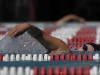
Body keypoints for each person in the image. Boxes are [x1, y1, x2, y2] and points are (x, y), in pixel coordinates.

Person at [2, 23, 99, 54]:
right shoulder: (64, 48)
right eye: (85, 48)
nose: (82, 53)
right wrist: (28, 26)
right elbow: (40, 35)